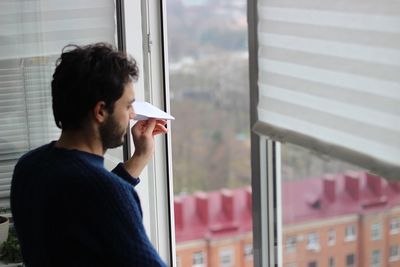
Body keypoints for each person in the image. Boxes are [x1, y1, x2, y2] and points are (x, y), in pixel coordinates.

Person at [10, 43, 168, 267]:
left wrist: (140, 157)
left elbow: (84, 209)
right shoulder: (105, 193)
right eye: (128, 106)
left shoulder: (29, 166)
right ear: (101, 111)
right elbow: (99, 198)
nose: (133, 115)